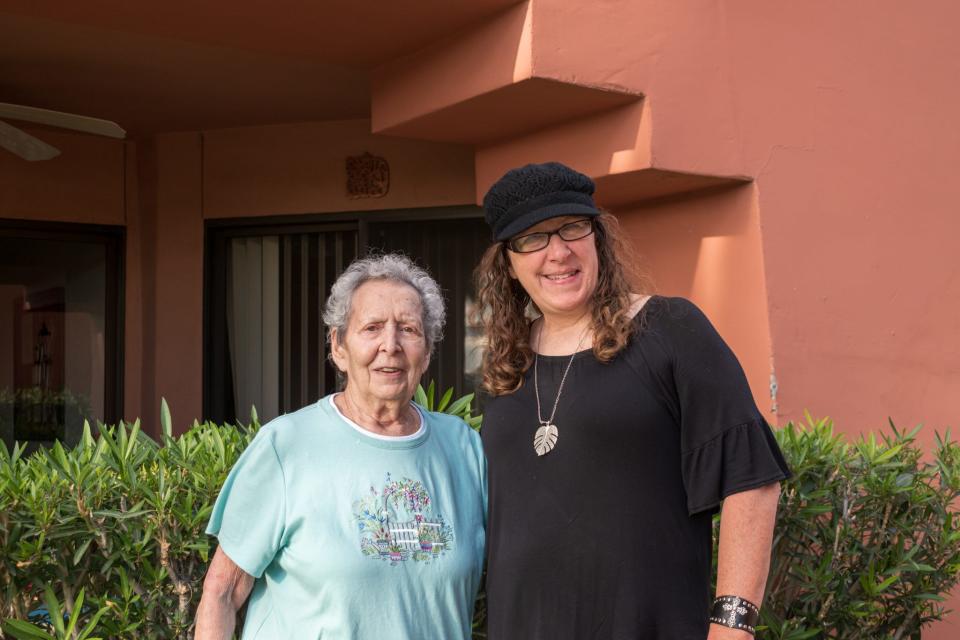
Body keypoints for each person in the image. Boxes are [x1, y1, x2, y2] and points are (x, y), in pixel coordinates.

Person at [475, 162, 790, 640]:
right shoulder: (504, 368)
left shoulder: (670, 329)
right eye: (532, 238)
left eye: (572, 228)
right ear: (509, 265)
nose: (558, 252)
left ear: (598, 237)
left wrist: (732, 625)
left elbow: (751, 478)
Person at [195, 253, 486, 640]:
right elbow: (221, 593)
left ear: (428, 351)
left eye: (409, 329)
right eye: (372, 327)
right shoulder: (287, 445)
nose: (390, 345)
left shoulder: (463, 448)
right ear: (338, 346)